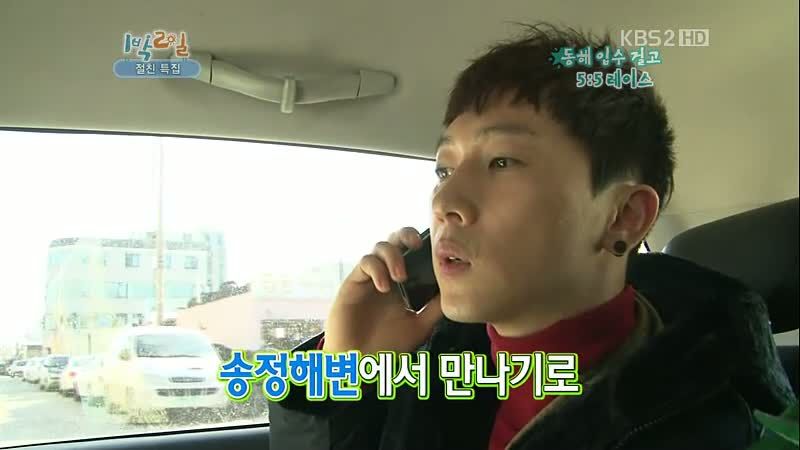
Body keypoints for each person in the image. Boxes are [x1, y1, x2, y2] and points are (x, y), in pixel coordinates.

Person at [268, 23, 795, 450]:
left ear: (624, 217)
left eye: (501, 161)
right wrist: (342, 372)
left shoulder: (701, 429)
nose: (446, 202)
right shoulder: (439, 365)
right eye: (445, 169)